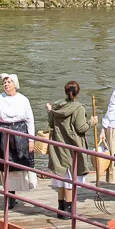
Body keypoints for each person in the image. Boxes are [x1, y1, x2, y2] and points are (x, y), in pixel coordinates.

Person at [46, 81, 90, 217]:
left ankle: (61, 209)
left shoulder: (56, 107)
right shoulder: (79, 108)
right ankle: (70, 210)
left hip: (58, 146)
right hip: (72, 147)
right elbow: (81, 128)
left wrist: (49, 111)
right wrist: (92, 122)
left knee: (61, 179)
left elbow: (51, 123)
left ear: (65, 91)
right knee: (71, 179)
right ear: (78, 92)